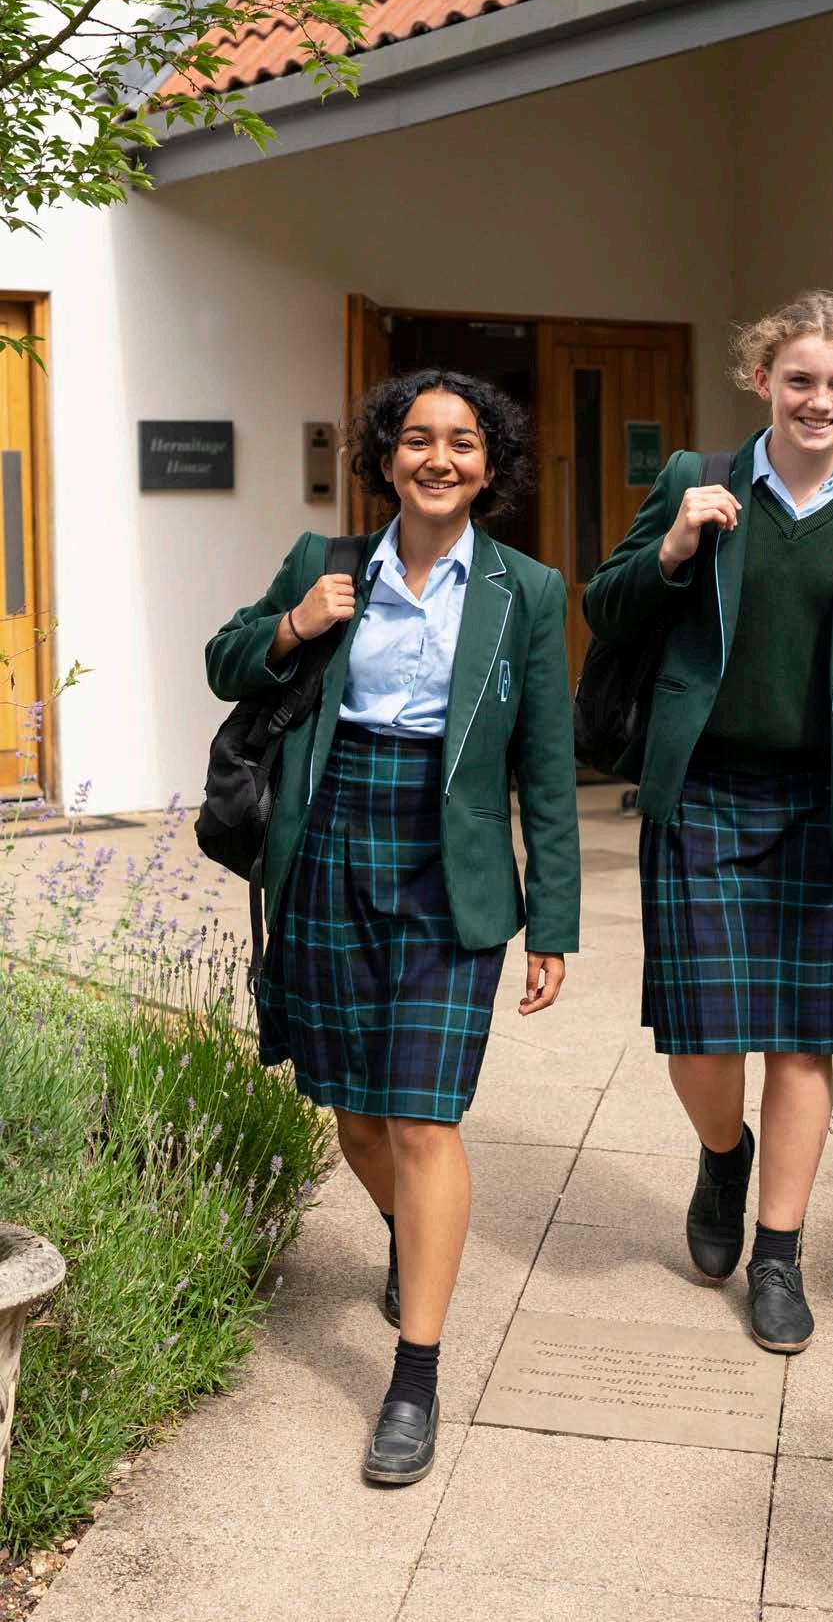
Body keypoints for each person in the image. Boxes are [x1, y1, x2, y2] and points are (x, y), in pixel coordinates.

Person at [206, 369, 580, 1482]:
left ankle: (415, 1375)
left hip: (451, 865)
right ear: (385, 457)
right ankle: (414, 1239)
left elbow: (546, 767)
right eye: (418, 439)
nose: (439, 458)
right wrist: (292, 626)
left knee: (422, 1119)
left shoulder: (527, 589)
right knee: (356, 1117)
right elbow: (224, 662)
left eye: (463, 442)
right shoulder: (324, 562)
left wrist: (554, 920)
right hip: (328, 841)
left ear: (490, 465)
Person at [583, 291, 833, 1354]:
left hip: (830, 805)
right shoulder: (697, 480)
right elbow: (605, 606)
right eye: (799, 380)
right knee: (700, 1031)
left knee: (804, 1039)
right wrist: (674, 546)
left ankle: (778, 1254)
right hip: (704, 790)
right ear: (762, 380)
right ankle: (723, 1153)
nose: (818, 400)